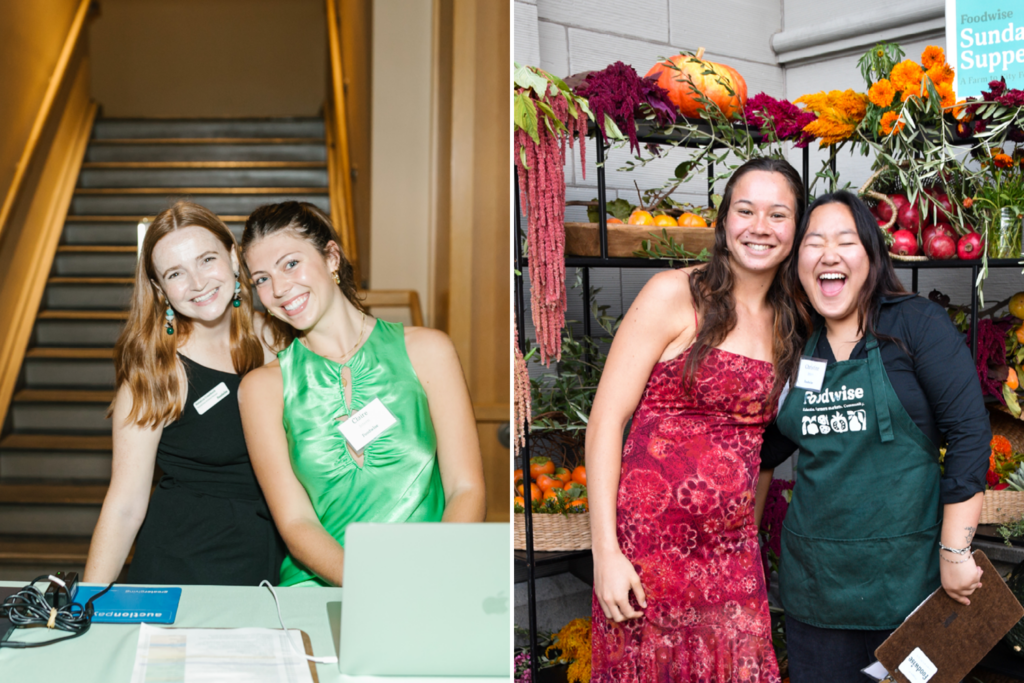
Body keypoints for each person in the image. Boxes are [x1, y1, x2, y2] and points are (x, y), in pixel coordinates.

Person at [756, 191, 990, 683]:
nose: (829, 254)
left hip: (912, 590)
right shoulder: (798, 345)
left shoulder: (915, 324)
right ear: (797, 262)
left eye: (845, 240)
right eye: (813, 242)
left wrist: (956, 551)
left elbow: (969, 434)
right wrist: (740, 543)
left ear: (872, 256)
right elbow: (766, 450)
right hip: (817, 594)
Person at [587, 158, 805, 682]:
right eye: (745, 210)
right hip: (646, 554)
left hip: (731, 557)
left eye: (778, 215)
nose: (759, 227)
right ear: (724, 220)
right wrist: (605, 555)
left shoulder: (793, 320)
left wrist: (747, 540)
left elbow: (764, 447)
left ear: (797, 231)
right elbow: (605, 421)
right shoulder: (673, 294)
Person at [237, 201, 486, 587]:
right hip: (323, 588)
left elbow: (465, 489)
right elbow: (295, 522)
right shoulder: (261, 389)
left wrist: (434, 578)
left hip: (436, 576)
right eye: (261, 280)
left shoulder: (428, 350)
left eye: (290, 264)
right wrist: (373, 588)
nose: (279, 289)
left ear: (331, 258)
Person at [84, 201, 284, 585]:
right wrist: (87, 606)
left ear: (231, 256)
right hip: (188, 568)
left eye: (206, 259)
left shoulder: (282, 337)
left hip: (280, 559)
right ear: (159, 289)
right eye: (176, 272)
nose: (197, 282)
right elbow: (125, 506)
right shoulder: (158, 371)